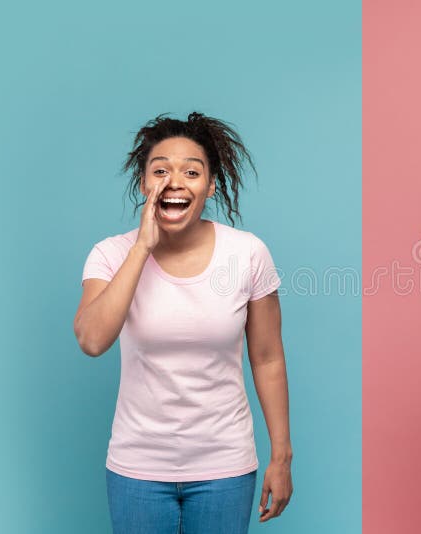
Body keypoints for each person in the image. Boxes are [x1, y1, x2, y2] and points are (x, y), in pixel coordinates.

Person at [73, 112, 293, 534]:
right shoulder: (109, 254)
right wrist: (142, 248)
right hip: (136, 467)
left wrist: (281, 456)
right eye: (161, 171)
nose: (175, 181)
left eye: (192, 171)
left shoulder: (247, 254)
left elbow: (267, 359)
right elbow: (92, 340)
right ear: (143, 184)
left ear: (210, 186)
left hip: (224, 467)